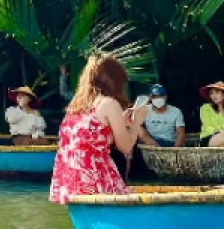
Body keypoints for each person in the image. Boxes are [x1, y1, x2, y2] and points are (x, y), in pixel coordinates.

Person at [50, 53, 150, 203]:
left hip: (70, 182)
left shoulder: (76, 106)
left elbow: (89, 133)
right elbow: (125, 147)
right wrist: (136, 122)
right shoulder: (109, 103)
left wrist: (120, 121)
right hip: (95, 180)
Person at [199, 81, 224, 147]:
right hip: (209, 138)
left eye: (217, 92)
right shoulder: (206, 108)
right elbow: (208, 126)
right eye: (211, 93)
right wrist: (222, 131)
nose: (214, 96)